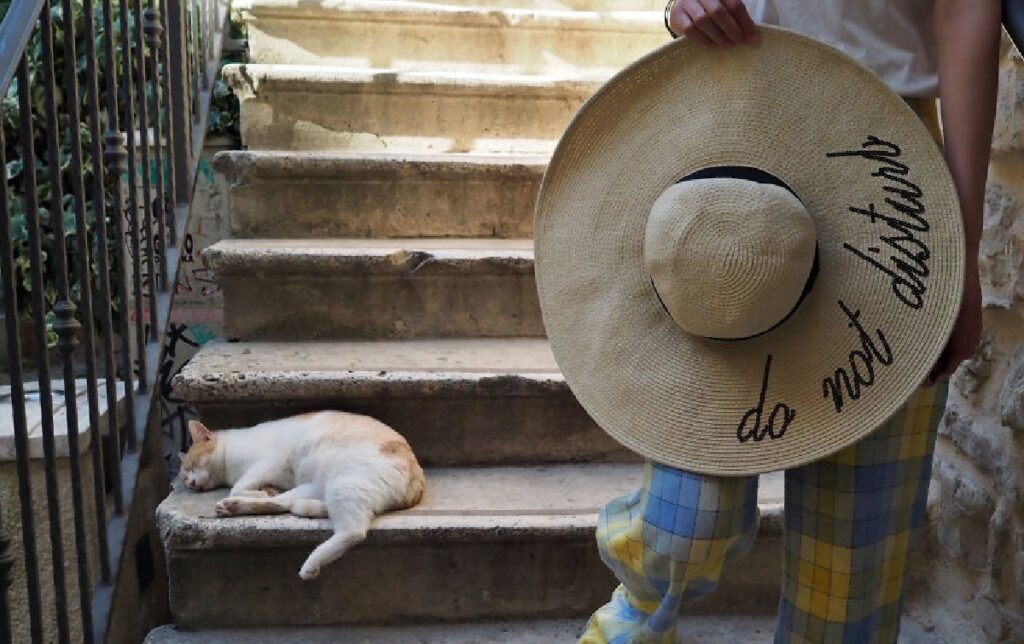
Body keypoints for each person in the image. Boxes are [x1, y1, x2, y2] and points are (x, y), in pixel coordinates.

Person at [581, 1, 999, 642]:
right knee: (687, 522)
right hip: (731, 139)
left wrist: (959, 254)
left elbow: (965, 10)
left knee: (850, 578)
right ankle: (629, 624)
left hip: (886, 163)